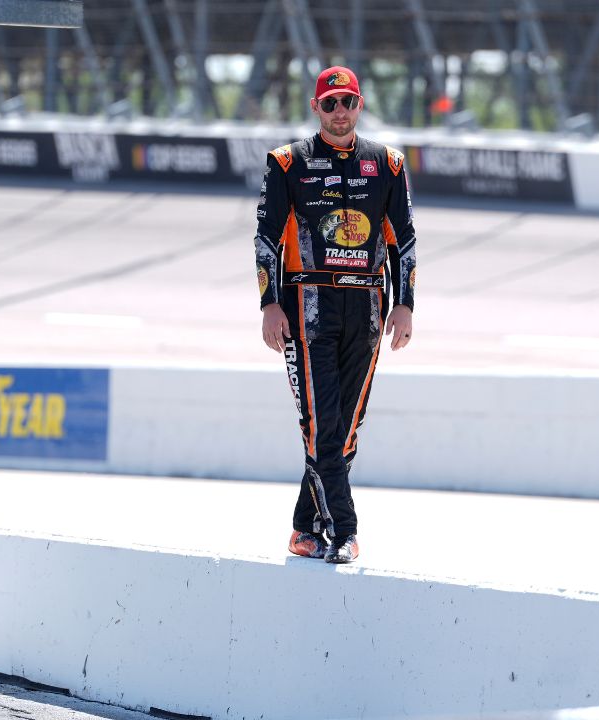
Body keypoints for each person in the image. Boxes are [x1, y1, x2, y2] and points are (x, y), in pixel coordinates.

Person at [254, 66, 417, 564]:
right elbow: (265, 242)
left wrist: (406, 304)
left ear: (360, 105)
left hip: (368, 309)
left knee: (345, 428)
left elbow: (403, 240)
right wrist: (269, 304)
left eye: (347, 102)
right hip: (308, 309)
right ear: (315, 108)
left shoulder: (387, 163)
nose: (340, 112)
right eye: (331, 103)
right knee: (323, 426)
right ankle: (343, 530)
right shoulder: (287, 163)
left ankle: (304, 528)